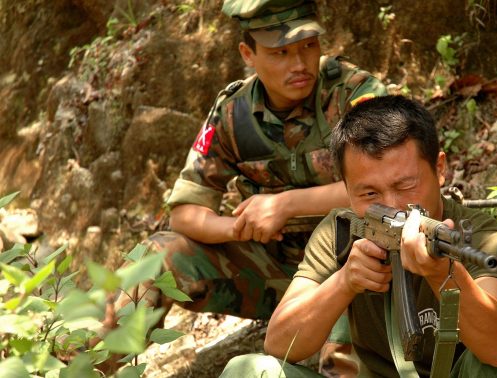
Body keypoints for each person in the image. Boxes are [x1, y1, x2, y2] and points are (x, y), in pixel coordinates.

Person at [104, 0, 387, 375]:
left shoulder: (354, 95)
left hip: (354, 262)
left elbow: (388, 188)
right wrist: (240, 226)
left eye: (307, 46)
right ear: (248, 54)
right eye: (280, 53)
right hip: (272, 269)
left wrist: (286, 205)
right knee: (153, 257)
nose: (299, 64)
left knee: (342, 357)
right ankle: (96, 363)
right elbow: (184, 212)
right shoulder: (233, 114)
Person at [220, 95, 497, 377]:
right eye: (369, 194)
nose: (394, 205)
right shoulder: (339, 231)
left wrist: (442, 273)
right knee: (249, 371)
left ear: (439, 169)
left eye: (406, 185)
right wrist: (345, 282)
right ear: (347, 191)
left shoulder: (481, 238)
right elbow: (279, 344)